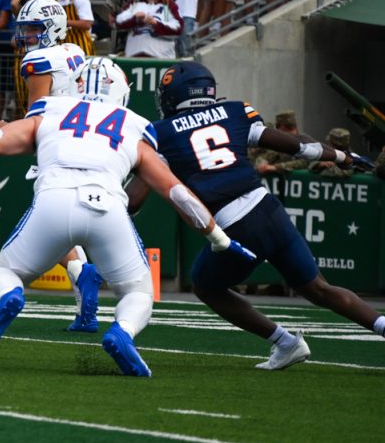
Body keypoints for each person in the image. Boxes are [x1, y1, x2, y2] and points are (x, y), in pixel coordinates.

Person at [0, 57, 255, 376]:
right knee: (138, 292)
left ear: (75, 86)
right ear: (122, 92)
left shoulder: (51, 108)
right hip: (107, 206)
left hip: (54, 199)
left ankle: (10, 296)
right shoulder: (133, 124)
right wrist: (220, 239)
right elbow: (176, 192)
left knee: (6, 273)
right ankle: (122, 331)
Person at [133, 61, 385, 369]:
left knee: (205, 286)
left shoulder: (161, 133)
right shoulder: (235, 111)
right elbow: (297, 147)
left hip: (235, 225)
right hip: (269, 209)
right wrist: (344, 156)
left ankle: (285, 342)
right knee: (319, 288)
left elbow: (134, 201)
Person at [114, 0, 181, 56]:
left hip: (161, 58)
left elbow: (178, 28)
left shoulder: (168, 5)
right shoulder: (134, 3)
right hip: (134, 56)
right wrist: (135, 19)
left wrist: (156, 24)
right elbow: (119, 22)